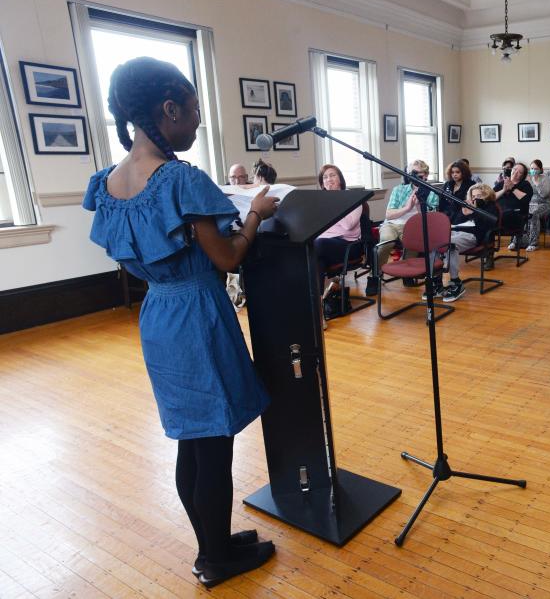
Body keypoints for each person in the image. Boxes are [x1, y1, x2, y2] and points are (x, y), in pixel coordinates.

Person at [82, 57, 277, 588]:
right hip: (198, 314)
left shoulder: (110, 183)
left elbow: (130, 254)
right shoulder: (179, 178)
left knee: (192, 440)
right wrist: (257, 212)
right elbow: (228, 257)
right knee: (213, 442)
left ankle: (212, 542)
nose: (195, 123)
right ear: (167, 110)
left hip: (159, 313)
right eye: (192, 112)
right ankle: (216, 559)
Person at [367, 160, 438, 295]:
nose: (420, 179)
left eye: (423, 176)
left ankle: (407, 274)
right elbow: (389, 214)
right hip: (392, 224)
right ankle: (374, 276)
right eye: (416, 175)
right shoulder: (399, 190)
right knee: (385, 243)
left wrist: (418, 206)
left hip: (414, 226)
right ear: (409, 175)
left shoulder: (432, 192)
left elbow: (430, 219)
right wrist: (407, 208)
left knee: (414, 243)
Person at [313, 164, 363, 317]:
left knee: (317, 246)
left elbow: (348, 226)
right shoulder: (320, 201)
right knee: (316, 259)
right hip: (323, 245)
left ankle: (318, 303)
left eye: (332, 175)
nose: (329, 180)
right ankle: (318, 306)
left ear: (340, 178)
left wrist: (332, 204)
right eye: (325, 177)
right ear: (322, 184)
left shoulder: (353, 198)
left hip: (349, 245)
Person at [442, 183, 499, 302]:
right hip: (455, 231)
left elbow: (486, 226)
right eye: (473, 196)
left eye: (479, 196)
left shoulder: (491, 207)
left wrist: (474, 212)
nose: (475, 199)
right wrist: (463, 213)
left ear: (486, 195)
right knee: (435, 241)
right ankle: (436, 281)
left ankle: (455, 282)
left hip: (472, 235)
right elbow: (454, 221)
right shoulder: (466, 205)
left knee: (449, 244)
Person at [494, 162, 533, 246]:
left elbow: (525, 199)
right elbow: (491, 196)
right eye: (514, 169)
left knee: (506, 213)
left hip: (516, 215)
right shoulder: (502, 183)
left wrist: (512, 188)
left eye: (519, 172)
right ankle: (488, 248)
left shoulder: (525, 185)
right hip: (498, 214)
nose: (515, 172)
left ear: (523, 176)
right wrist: (503, 190)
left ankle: (516, 241)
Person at [523, 158, 550, 251]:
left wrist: (536, 182)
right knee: (522, 212)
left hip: (544, 204)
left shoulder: (545, 178)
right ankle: (520, 241)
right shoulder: (527, 179)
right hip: (531, 205)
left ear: (540, 169)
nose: (533, 171)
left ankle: (534, 243)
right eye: (531, 168)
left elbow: (544, 194)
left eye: (535, 169)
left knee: (534, 214)